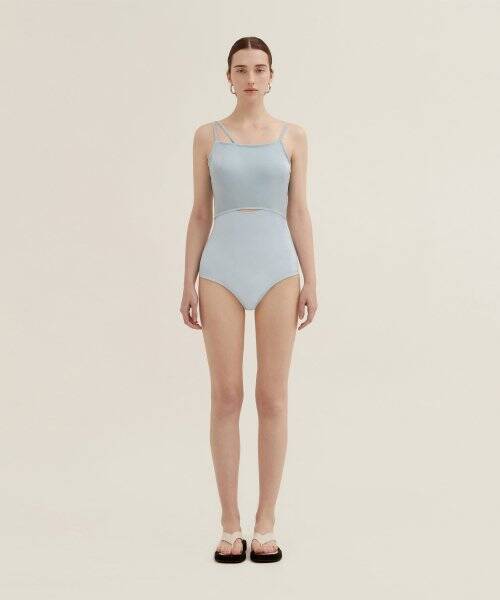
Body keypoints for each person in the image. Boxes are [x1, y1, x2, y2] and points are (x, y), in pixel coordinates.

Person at [180, 36, 318, 563]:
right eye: (241, 70)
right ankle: (229, 523)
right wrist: (187, 281)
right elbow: (200, 212)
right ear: (229, 78)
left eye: (260, 69)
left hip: (278, 269)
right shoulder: (207, 136)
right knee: (227, 395)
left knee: (272, 397)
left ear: (272, 75)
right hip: (220, 269)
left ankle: (266, 522)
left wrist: (311, 279)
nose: (251, 78)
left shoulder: (293, 136)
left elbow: (299, 211)